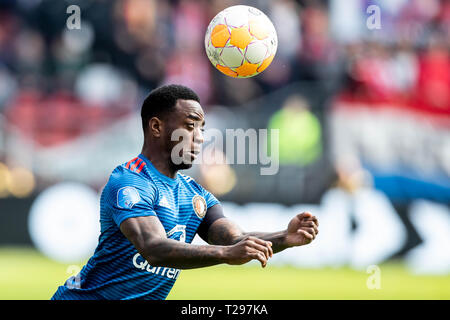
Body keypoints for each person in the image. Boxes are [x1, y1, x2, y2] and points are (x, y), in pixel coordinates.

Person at [51, 84, 319, 300]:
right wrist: (226, 256)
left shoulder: (194, 195)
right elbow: (153, 248)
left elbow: (234, 239)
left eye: (202, 129)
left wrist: (285, 236)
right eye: (190, 127)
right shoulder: (130, 181)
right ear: (156, 127)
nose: (200, 137)